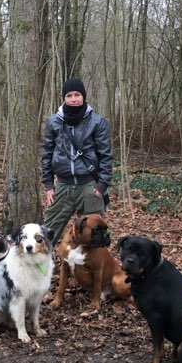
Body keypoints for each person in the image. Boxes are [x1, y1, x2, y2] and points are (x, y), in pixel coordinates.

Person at [41, 78, 112, 244]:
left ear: (83, 96)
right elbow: (47, 153)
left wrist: (101, 186)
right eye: (69, 95)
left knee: (95, 239)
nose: (74, 99)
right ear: (64, 98)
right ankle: (39, 268)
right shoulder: (54, 122)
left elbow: (105, 156)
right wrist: (49, 185)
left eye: (77, 94)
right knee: (46, 236)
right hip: (63, 186)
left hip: (89, 186)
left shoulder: (97, 122)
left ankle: (92, 269)